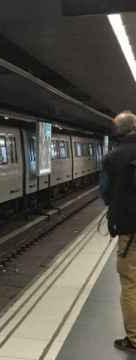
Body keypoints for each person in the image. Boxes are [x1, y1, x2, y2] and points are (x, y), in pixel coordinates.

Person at [101, 111, 136, 353]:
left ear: (118, 132)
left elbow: (105, 192)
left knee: (131, 282)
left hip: (130, 229)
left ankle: (134, 338)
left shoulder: (113, 158)